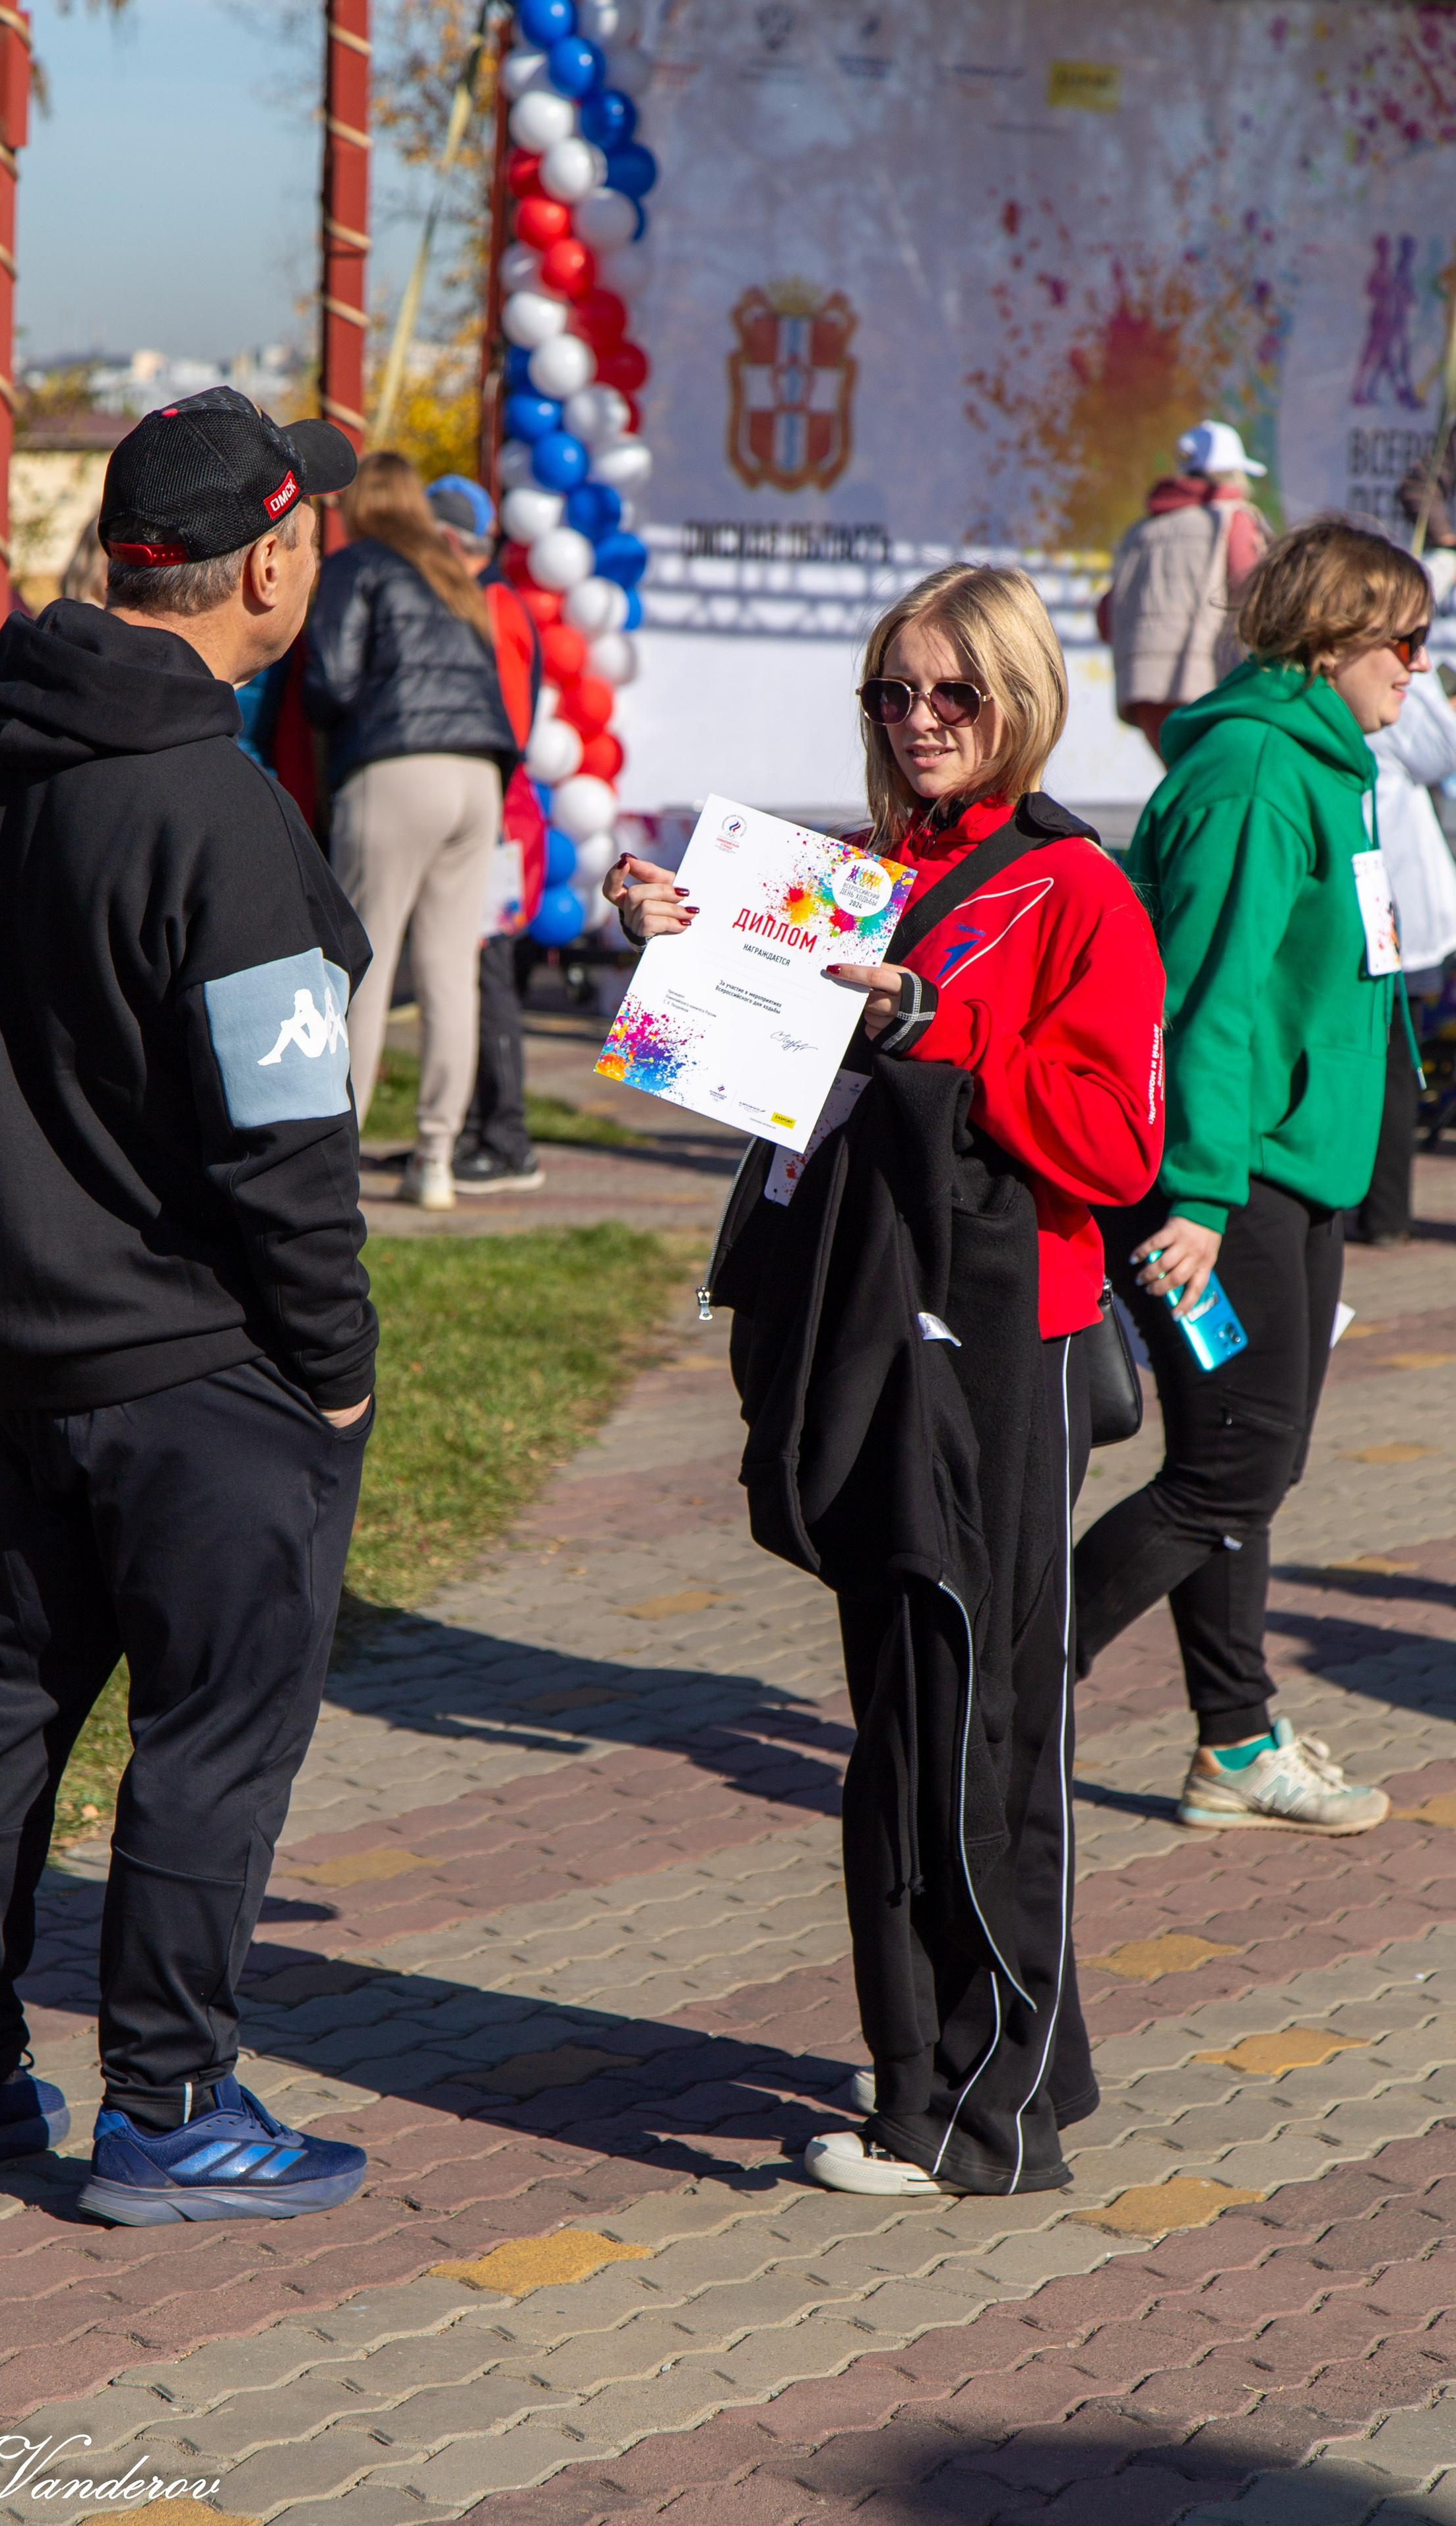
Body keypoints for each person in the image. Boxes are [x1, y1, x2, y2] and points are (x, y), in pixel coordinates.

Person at [0, 387, 381, 2226]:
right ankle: (167, 2110)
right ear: (272, 559)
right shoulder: (221, 812)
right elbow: (289, 1148)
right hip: (209, 1373)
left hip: (16, 1357)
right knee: (212, 1739)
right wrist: (341, 1371)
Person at [609, 564, 1165, 2198]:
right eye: (889, 695)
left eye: (952, 695)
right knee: (903, 1717)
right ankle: (975, 2057)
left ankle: (971, 2112)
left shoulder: (1071, 887)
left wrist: (937, 1027)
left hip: (1004, 1341)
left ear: (1016, 700)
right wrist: (671, 945)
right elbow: (755, 1088)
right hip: (862, 1323)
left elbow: (1118, 1143)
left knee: (972, 1720)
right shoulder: (858, 875)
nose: (919, 721)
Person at [1074, 516, 1431, 1835]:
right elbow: (1206, 1002)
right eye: (1402, 637)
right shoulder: (1250, 775)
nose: (1415, 665)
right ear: (1330, 637)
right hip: (1224, 1189)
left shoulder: (1325, 768)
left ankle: (1230, 1740)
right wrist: (1203, 1198)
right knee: (1229, 1468)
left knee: (1241, 1463)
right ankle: (1001, 1684)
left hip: (1293, 1172)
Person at [303, 451, 518, 1212]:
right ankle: (435, 1159)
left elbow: (329, 677)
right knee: (448, 973)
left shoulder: (355, 563)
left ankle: (338, 1159)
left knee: (363, 964)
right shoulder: (452, 569)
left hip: (395, 767)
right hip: (476, 776)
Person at [426, 472, 548, 1194]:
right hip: (489, 811)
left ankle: (508, 1140)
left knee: (486, 971)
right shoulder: (483, 602)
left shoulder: (493, 607)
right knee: (466, 969)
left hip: (496, 817)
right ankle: (478, 1126)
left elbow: (502, 725)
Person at [1102, 418, 1272, 765]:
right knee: (1215, 788)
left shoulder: (1140, 533)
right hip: (1206, 685)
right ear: (1235, 474)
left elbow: (1106, 618)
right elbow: (1254, 597)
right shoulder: (1232, 519)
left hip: (1144, 691)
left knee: (1182, 785)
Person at [1356, 658, 1456, 1244]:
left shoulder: (1383, 695)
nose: (1415, 662)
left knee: (1393, 1063)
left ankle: (1384, 1212)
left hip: (1395, 913)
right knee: (1390, 1064)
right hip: (1390, 908)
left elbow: (1441, 748)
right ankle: (1381, 1211)